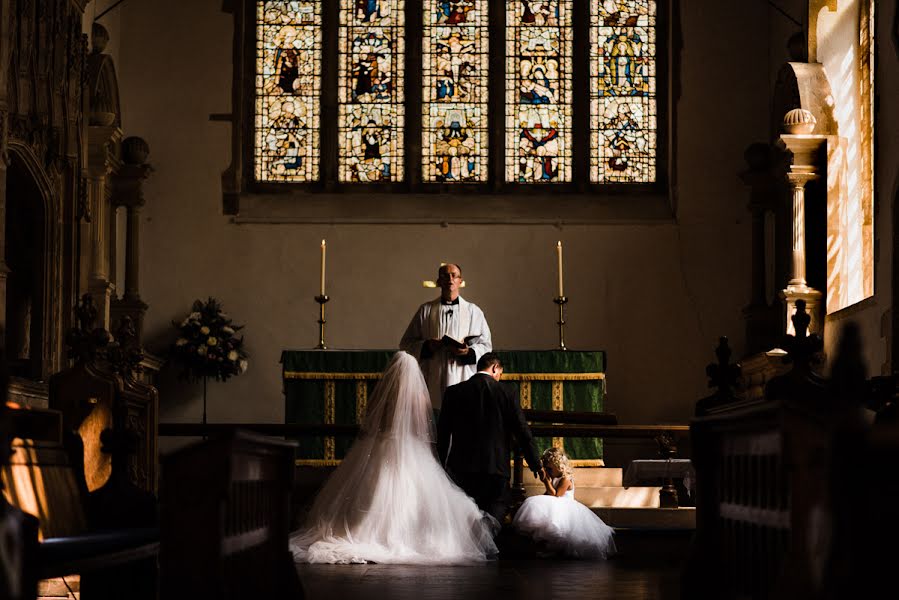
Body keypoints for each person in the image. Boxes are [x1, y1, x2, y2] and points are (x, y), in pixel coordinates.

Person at [289, 351, 497, 565]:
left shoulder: (381, 395)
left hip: (381, 446)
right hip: (411, 449)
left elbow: (370, 423)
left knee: (372, 489)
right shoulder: (420, 397)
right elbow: (423, 429)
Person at [437, 353, 542, 524]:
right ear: (495, 368)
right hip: (495, 468)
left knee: (464, 522)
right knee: (492, 519)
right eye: (500, 373)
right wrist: (535, 463)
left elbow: (443, 434)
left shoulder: (453, 392)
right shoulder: (507, 392)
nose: (499, 377)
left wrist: (440, 466)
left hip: (461, 468)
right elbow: (522, 430)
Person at [400, 263, 492, 410]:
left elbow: (486, 346)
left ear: (460, 281)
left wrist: (468, 352)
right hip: (434, 375)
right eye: (445, 275)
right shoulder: (426, 310)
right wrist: (427, 346)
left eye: (454, 275)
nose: (450, 279)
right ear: (438, 282)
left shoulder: (474, 311)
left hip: (463, 376)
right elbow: (406, 343)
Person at [512, 446, 616, 559]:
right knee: (536, 506)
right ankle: (550, 548)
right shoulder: (554, 477)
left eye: (549, 469)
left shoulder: (566, 478)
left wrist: (546, 481)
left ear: (558, 466)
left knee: (559, 527)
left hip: (565, 507)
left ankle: (556, 550)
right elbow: (548, 494)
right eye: (546, 469)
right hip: (558, 506)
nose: (547, 472)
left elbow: (557, 495)